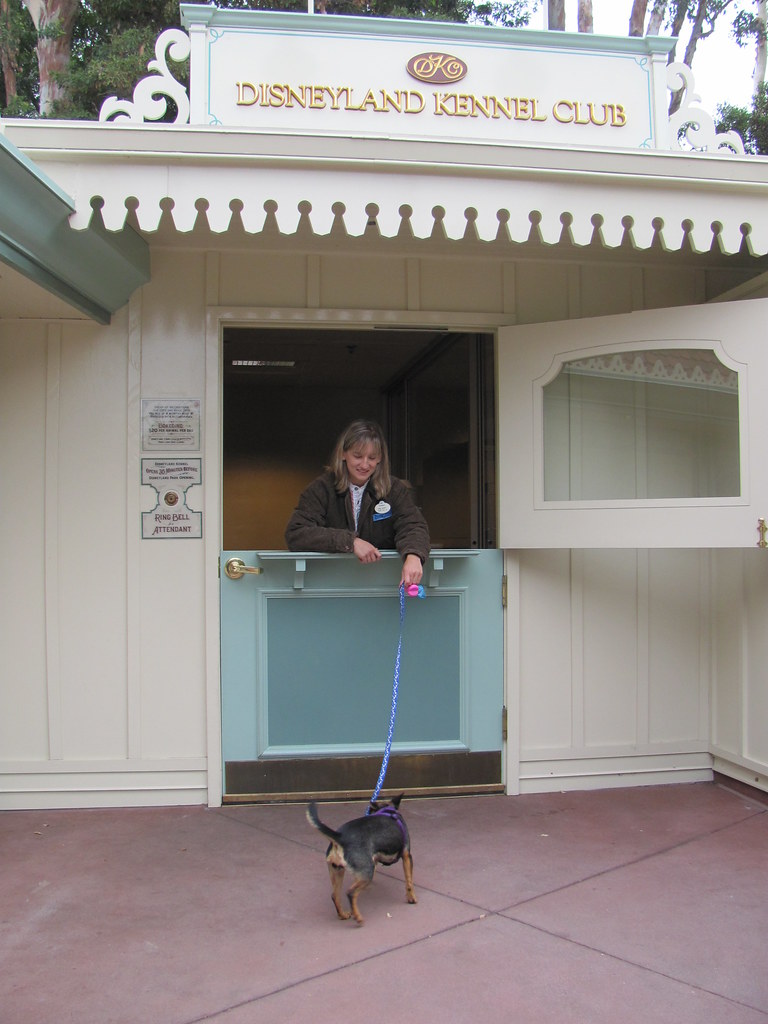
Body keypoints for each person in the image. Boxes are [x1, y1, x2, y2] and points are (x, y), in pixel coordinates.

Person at [285, 420, 430, 587]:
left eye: (372, 457)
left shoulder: (394, 489)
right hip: (330, 584)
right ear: (343, 454)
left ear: (380, 459)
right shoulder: (321, 489)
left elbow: (413, 526)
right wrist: (351, 542)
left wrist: (413, 555)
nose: (365, 464)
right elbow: (296, 533)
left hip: (382, 585)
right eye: (358, 456)